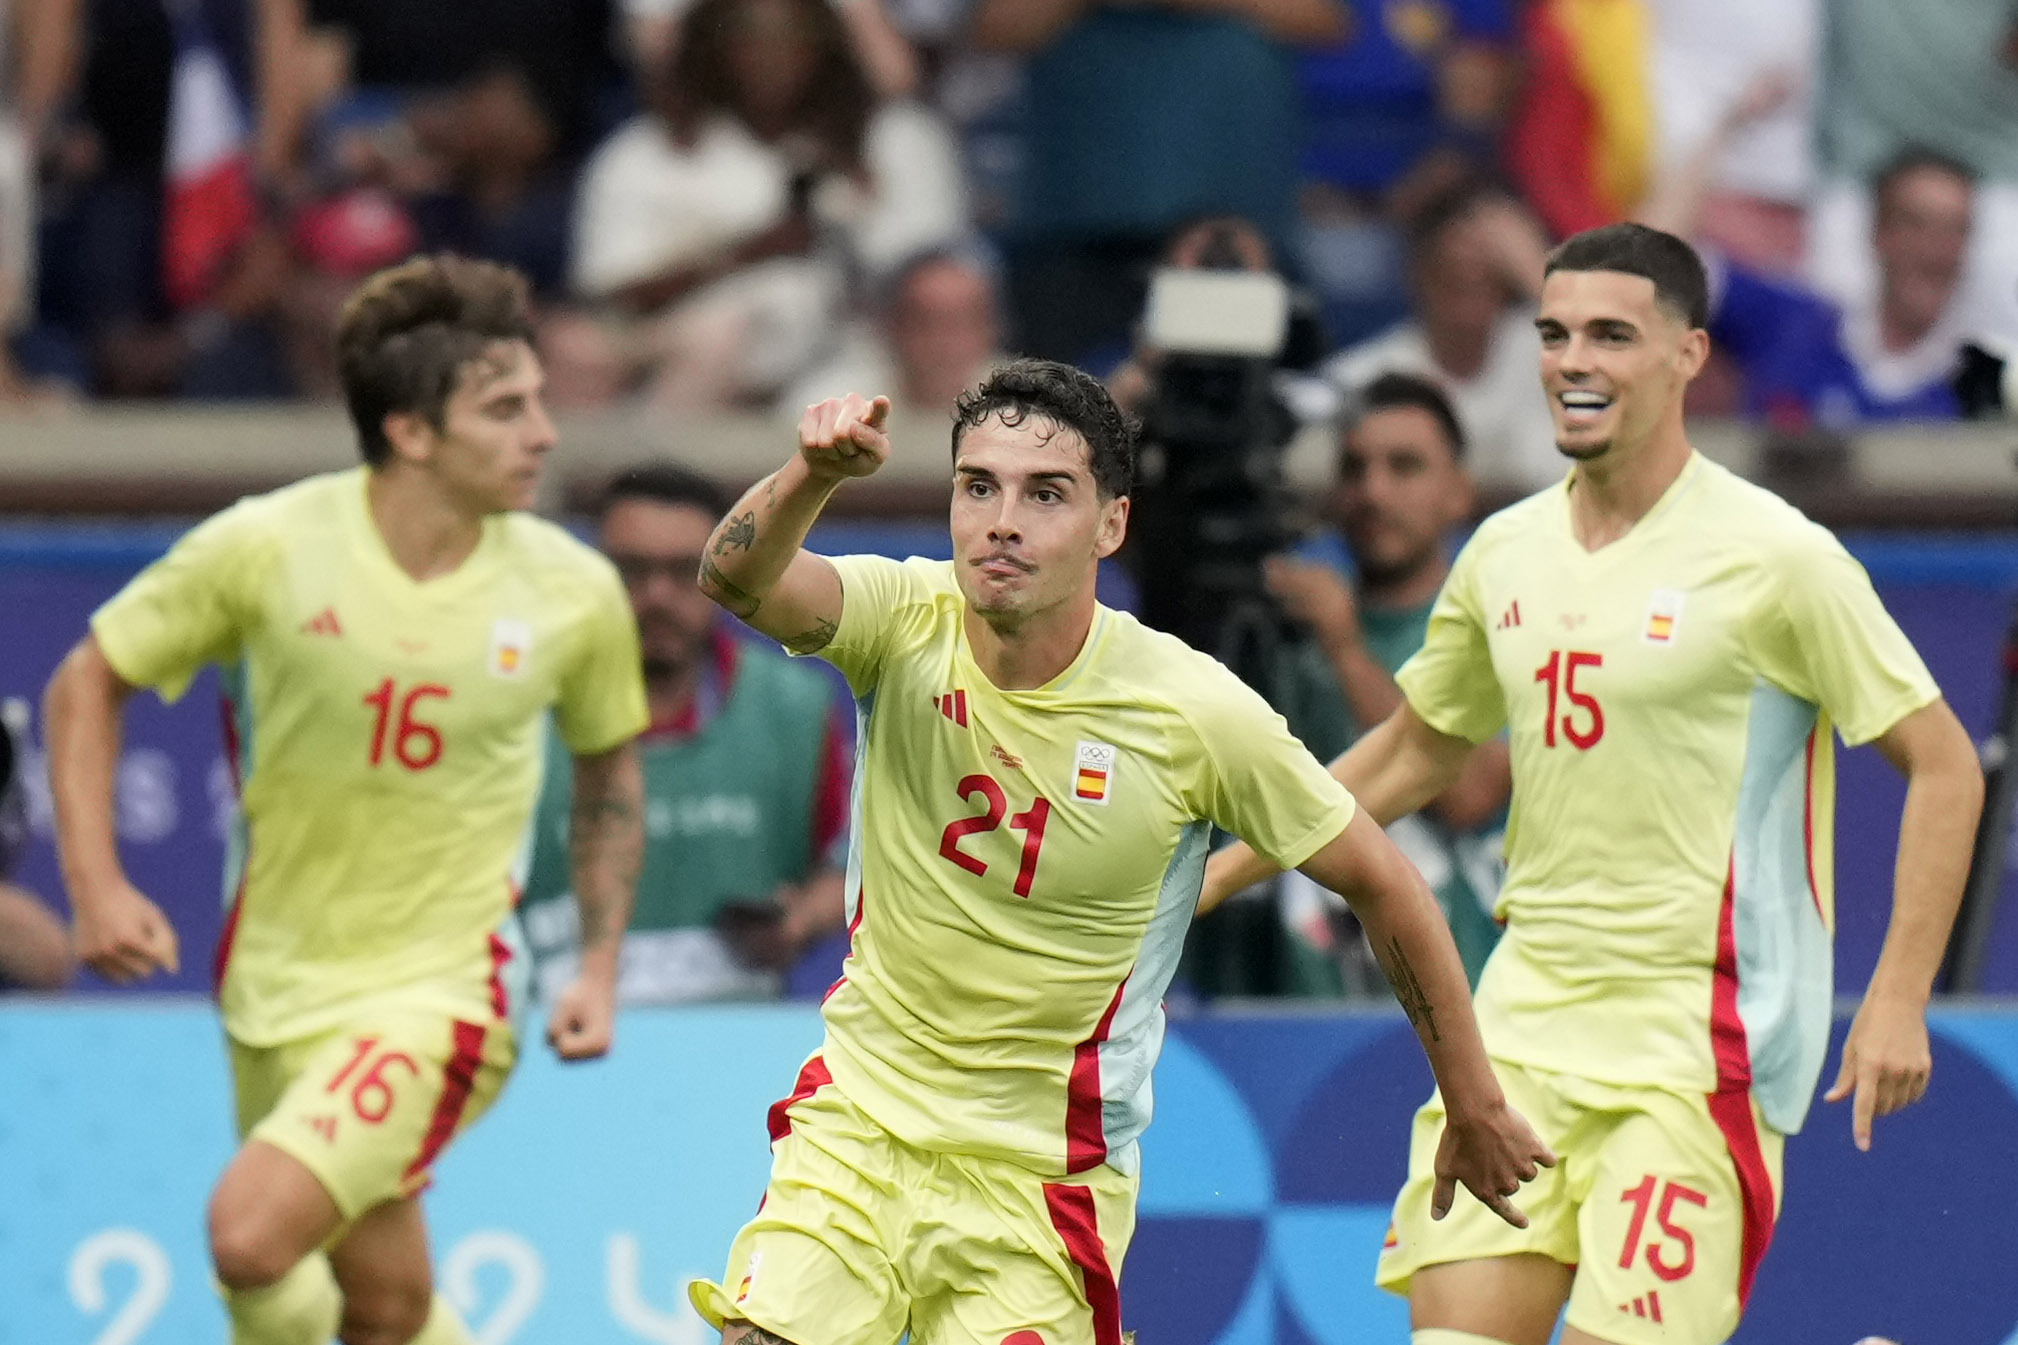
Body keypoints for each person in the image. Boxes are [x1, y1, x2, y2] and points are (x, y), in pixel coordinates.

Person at [1203, 223, 1984, 1345]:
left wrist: (1898, 993)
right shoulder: (1503, 551)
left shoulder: (1776, 556)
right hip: (1516, 1027)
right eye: (1555, 333)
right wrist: (1214, 874)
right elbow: (1415, 750)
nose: (1574, 361)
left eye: (1611, 335)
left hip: (1691, 1043)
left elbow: (1943, 763)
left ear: (1686, 355)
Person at [683, 358, 1553, 1343]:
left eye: (1044, 492)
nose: (1001, 520)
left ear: (1111, 524)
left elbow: (1383, 884)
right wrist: (813, 474)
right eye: (979, 486)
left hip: (1038, 1183)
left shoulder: (1191, 713)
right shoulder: (902, 615)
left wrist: (1471, 1100)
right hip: (861, 1127)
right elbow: (732, 576)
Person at [41, 254, 649, 1345]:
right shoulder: (265, 547)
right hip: (270, 988)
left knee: (247, 1233)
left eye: (540, 401)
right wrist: (97, 884)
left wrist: (599, 965)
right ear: (411, 432)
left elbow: (609, 773)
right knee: (384, 1301)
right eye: (505, 408)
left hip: (444, 992)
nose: (545, 433)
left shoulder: (570, 587)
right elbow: (89, 679)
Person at [519, 462, 851, 1004]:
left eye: (685, 572)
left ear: (727, 573)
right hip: (551, 1042)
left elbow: (861, 867)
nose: (657, 596)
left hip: (735, 1052)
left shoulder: (794, 711)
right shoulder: (524, 709)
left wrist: (799, 919)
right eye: (632, 571)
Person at [1265, 372, 1511, 990]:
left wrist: (1347, 651)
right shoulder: (1287, 633)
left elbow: (1470, 792)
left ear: (1460, 493)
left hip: (1464, 1014)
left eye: (1404, 467)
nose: (1373, 492)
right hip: (1301, 1013)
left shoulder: (1501, 623)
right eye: (1353, 469)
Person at [1323, 186, 1563, 492]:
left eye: (1485, 274)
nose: (1468, 271)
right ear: (1419, 274)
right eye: (1452, 274)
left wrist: (1538, 275)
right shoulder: (1365, 379)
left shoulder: (1556, 349)